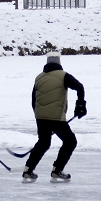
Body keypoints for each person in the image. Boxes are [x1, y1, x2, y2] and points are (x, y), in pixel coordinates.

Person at [22, 53, 86, 183]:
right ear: (59, 63)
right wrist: (80, 106)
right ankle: (57, 170)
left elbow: (33, 99)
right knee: (70, 141)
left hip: (40, 116)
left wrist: (39, 116)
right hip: (56, 117)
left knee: (43, 143)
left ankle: (28, 170)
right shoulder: (63, 76)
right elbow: (80, 87)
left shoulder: (39, 78)